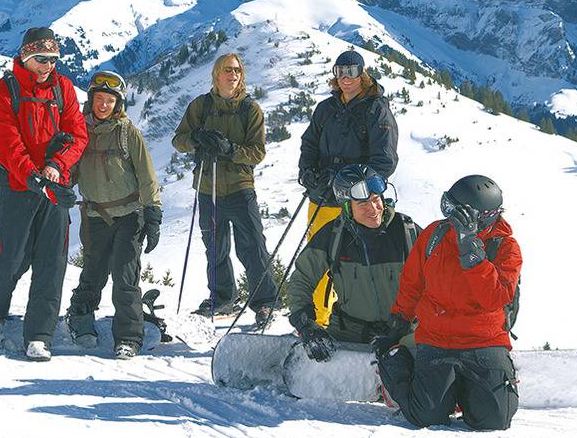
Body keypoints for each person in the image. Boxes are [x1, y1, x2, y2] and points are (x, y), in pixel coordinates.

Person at [374, 175, 522, 431]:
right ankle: (396, 363)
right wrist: (398, 324)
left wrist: (472, 254)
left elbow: (495, 298)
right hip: (437, 340)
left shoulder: (505, 247)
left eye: (456, 211)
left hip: (484, 341)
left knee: (495, 420)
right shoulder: (435, 235)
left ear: (478, 216)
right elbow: (412, 284)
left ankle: (467, 389)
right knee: (425, 416)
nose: (449, 215)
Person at [0, 27, 88, 361]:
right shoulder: (4, 91)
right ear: (25, 56)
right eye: (41, 59)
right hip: (17, 187)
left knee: (51, 263)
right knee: (8, 258)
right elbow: (6, 143)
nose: (47, 66)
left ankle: (40, 334)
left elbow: (77, 134)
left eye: (53, 59)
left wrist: (56, 165)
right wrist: (33, 176)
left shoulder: (63, 88)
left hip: (55, 186)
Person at [172, 52, 277, 328]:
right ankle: (221, 298)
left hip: (240, 187)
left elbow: (257, 152)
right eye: (228, 70)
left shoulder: (250, 110)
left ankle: (264, 303)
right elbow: (178, 140)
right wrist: (196, 138)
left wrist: (230, 149)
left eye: (237, 70)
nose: (233, 75)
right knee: (215, 247)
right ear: (216, 74)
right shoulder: (201, 106)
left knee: (253, 246)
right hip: (208, 188)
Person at [64, 70, 162, 359]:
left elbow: (147, 176)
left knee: (125, 276)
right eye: (99, 99)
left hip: (130, 215)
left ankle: (129, 337)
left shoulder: (127, 133)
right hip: (95, 215)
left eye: (109, 100)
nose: (103, 105)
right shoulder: (81, 131)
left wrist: (153, 213)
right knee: (93, 272)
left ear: (117, 104)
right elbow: (71, 170)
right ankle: (80, 317)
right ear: (91, 100)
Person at [297, 49, 398, 326]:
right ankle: (318, 321)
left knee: (352, 264)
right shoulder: (326, 109)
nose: (345, 78)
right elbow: (309, 144)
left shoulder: (376, 110)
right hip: (322, 198)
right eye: (340, 72)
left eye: (351, 72)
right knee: (317, 258)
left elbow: (384, 161)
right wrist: (308, 173)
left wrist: (351, 184)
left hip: (358, 204)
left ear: (362, 74)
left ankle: (357, 321)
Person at [286, 164, 419, 362]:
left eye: (376, 200)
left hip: (404, 332)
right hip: (350, 334)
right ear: (347, 207)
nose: (373, 209)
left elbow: (442, 280)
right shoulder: (333, 236)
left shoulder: (407, 232)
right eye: (363, 204)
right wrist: (306, 325)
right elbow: (302, 279)